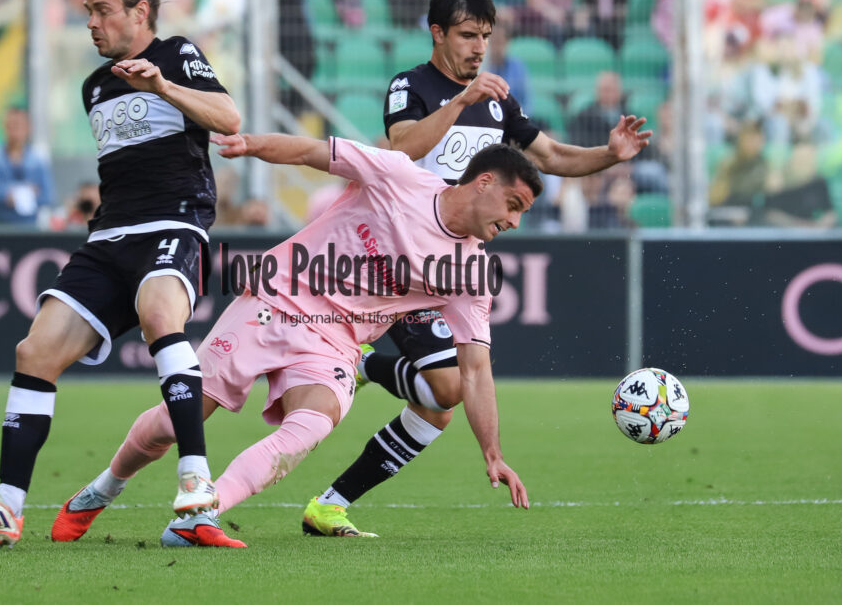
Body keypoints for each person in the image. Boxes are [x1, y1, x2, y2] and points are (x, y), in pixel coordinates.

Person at [52, 133, 541, 547]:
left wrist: (492, 453)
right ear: (484, 183)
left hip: (335, 342)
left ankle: (198, 515)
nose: (514, 222)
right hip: (276, 296)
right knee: (177, 419)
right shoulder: (398, 176)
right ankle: (101, 489)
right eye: (513, 205)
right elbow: (313, 152)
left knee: (314, 422)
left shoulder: (471, 273)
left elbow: (474, 369)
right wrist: (251, 144)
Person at [301, 0, 648, 537]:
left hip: (451, 268)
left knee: (440, 405)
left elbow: (553, 157)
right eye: (467, 35)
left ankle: (330, 503)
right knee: (449, 386)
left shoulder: (496, 103)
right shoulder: (410, 86)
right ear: (437, 33)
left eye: (485, 35)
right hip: (397, 258)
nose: (479, 47)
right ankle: (361, 365)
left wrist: (609, 155)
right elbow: (399, 147)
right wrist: (461, 100)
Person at [0, 0, 241, 548]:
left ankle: (196, 478)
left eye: (102, 10)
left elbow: (228, 119)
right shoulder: (95, 86)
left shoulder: (178, 54)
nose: (92, 23)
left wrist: (161, 86)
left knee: (161, 313)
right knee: (35, 350)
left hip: (173, 222)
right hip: (108, 239)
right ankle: (7, 505)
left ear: (140, 12)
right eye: (87, 12)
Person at [0, 106, 56, 227]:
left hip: (29, 226)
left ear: (28, 128)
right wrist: (24, 192)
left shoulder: (37, 160)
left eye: (18, 126)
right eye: (10, 126)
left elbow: (48, 196)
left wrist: (18, 196)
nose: (14, 131)